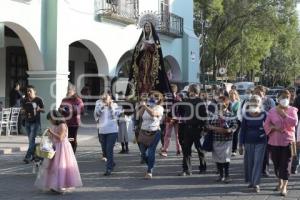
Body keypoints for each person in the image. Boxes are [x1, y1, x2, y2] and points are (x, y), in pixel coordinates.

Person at [35, 110, 82, 194]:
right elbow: (52, 137)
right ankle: (53, 185)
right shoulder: (54, 125)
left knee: (60, 166)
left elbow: (60, 138)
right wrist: (48, 136)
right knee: (52, 167)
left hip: (62, 148)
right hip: (54, 147)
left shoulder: (62, 125)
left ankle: (61, 186)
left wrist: (51, 132)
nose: (50, 121)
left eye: (51, 119)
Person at [263, 90, 298, 196]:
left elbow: (294, 123)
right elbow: (266, 125)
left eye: (287, 97)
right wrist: (273, 127)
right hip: (274, 142)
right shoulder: (272, 111)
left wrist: (284, 115)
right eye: (283, 97)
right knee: (277, 164)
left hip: (288, 141)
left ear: (290, 98)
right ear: (278, 99)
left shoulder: (293, 110)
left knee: (286, 164)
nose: (285, 99)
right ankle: (279, 182)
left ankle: (285, 186)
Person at [125, 20, 171, 98]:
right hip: (142, 62)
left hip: (152, 63)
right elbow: (136, 52)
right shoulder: (141, 40)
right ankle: (139, 94)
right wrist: (141, 47)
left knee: (150, 78)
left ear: (151, 28)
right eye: (146, 26)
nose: (147, 28)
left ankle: (151, 93)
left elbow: (157, 51)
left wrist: (149, 46)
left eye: (149, 27)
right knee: (141, 77)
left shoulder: (155, 39)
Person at [239, 95, 267, 193]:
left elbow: (268, 128)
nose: (255, 102)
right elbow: (242, 130)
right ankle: (251, 181)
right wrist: (240, 145)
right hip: (248, 141)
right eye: (253, 101)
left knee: (257, 162)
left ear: (260, 103)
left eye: (257, 101)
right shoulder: (246, 114)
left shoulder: (264, 114)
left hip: (261, 141)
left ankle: (256, 184)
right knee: (249, 162)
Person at [178, 84, 208, 176]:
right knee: (186, 150)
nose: (190, 92)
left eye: (192, 91)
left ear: (195, 92)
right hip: (187, 129)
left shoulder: (200, 102)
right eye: (190, 91)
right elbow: (180, 112)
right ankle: (186, 169)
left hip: (197, 129)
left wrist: (203, 129)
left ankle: (203, 168)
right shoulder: (186, 101)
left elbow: (204, 116)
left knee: (200, 150)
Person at [207, 96, 238, 183]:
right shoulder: (213, 115)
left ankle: (227, 175)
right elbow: (207, 125)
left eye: (222, 102)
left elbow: (235, 125)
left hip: (227, 139)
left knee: (226, 158)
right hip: (216, 139)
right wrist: (216, 128)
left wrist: (230, 130)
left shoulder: (230, 114)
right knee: (217, 158)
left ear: (226, 104)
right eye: (218, 103)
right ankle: (221, 175)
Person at [137, 91, 164, 179]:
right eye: (151, 97)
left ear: (159, 100)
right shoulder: (147, 106)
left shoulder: (159, 108)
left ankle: (149, 171)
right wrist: (143, 106)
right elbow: (139, 115)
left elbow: (153, 114)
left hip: (154, 132)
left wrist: (145, 106)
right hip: (143, 132)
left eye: (155, 98)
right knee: (143, 154)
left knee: (151, 151)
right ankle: (151, 164)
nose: (153, 99)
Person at [94, 93, 122, 176]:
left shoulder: (115, 105)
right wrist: (103, 106)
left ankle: (108, 168)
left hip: (112, 131)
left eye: (106, 98)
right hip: (102, 130)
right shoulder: (98, 104)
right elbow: (96, 115)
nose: (105, 100)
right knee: (105, 150)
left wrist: (110, 107)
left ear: (110, 99)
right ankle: (112, 163)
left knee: (109, 149)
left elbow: (115, 116)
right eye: (104, 98)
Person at [253, 85, 276, 177]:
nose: (257, 94)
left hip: (266, 129)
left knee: (265, 150)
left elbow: (273, 114)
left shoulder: (269, 101)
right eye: (256, 92)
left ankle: (265, 169)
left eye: (259, 92)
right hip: (254, 129)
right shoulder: (251, 101)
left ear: (264, 93)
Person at [22, 85, 45, 164]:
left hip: (35, 122)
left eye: (30, 91)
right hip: (27, 122)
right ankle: (35, 155)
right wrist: (23, 111)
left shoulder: (38, 100)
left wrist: (39, 109)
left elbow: (43, 109)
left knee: (31, 140)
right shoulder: (25, 100)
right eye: (27, 91)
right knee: (31, 140)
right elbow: (23, 109)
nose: (28, 92)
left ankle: (28, 157)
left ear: (34, 92)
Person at [59, 84, 84, 153]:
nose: (68, 92)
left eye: (69, 90)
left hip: (74, 123)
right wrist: (61, 110)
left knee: (72, 138)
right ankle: (67, 152)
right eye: (67, 90)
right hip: (65, 123)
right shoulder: (64, 99)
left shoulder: (78, 100)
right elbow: (60, 108)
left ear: (74, 91)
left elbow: (81, 110)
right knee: (66, 138)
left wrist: (69, 110)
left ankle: (72, 152)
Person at [160, 84, 182, 157]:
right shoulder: (177, 98)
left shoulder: (175, 98)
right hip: (174, 118)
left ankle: (167, 150)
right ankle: (177, 150)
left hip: (172, 118)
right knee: (174, 135)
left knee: (169, 135)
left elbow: (167, 109)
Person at [229, 90, 241, 156]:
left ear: (235, 96)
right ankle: (229, 149)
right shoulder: (228, 102)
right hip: (229, 120)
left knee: (235, 134)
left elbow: (239, 113)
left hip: (237, 121)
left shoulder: (238, 103)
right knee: (230, 135)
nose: (231, 97)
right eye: (230, 95)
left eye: (233, 95)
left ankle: (234, 150)